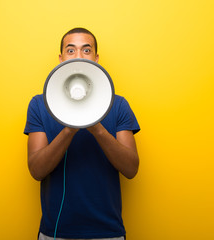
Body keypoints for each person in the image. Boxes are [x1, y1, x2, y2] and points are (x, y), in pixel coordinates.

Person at [24, 28, 140, 240]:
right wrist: (70, 127)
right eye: (71, 50)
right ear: (61, 59)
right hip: (55, 232)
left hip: (108, 232)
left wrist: (95, 125)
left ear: (96, 59)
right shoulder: (39, 105)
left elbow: (131, 168)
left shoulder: (119, 104)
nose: (78, 56)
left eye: (86, 50)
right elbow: (36, 170)